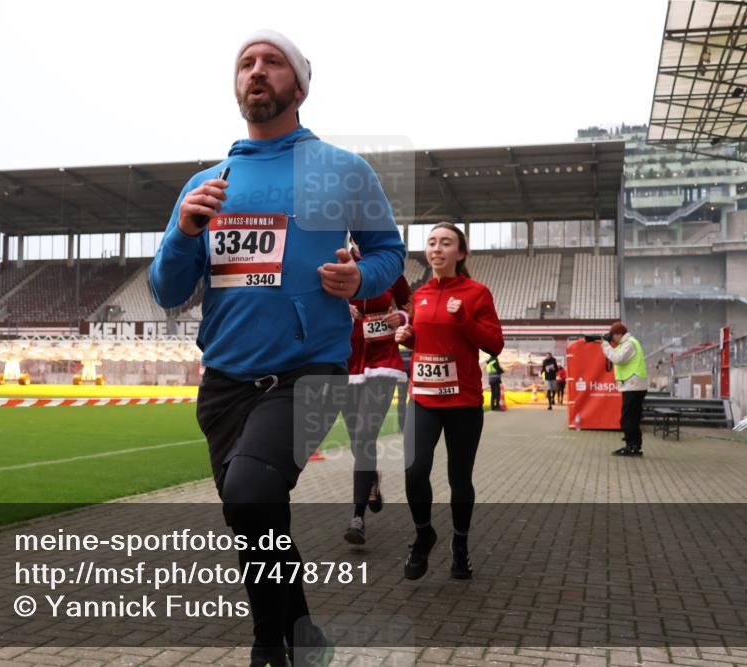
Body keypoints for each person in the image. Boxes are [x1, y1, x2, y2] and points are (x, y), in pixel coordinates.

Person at [148, 29, 405, 667]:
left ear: (300, 84)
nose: (256, 71)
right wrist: (184, 232)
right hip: (223, 387)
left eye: (271, 62)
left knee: (249, 498)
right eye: (245, 63)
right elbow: (166, 290)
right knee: (255, 519)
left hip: (305, 374)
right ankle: (298, 633)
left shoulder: (343, 170)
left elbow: (389, 252)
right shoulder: (207, 184)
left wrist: (361, 278)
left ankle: (268, 645)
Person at [395, 222, 504, 581]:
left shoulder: (477, 293)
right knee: (413, 470)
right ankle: (424, 534)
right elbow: (429, 345)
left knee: (459, 478)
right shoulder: (421, 293)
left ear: (460, 253)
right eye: (431, 243)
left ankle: (460, 545)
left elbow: (493, 344)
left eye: (445, 243)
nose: (437, 248)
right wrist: (408, 337)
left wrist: (464, 319)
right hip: (423, 397)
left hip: (463, 400)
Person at [342, 243, 411, 545]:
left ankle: (357, 518)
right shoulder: (338, 261)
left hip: (383, 362)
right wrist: (340, 307)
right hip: (347, 361)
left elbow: (411, 307)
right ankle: (371, 479)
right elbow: (315, 299)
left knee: (366, 434)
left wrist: (404, 320)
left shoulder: (390, 267)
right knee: (357, 438)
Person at [585, 322, 648, 456]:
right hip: (634, 385)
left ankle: (632, 446)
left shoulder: (630, 344)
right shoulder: (627, 343)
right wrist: (608, 345)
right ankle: (635, 446)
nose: (612, 338)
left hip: (633, 385)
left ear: (619, 334)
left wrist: (605, 345)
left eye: (613, 335)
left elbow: (617, 358)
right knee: (633, 418)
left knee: (628, 418)